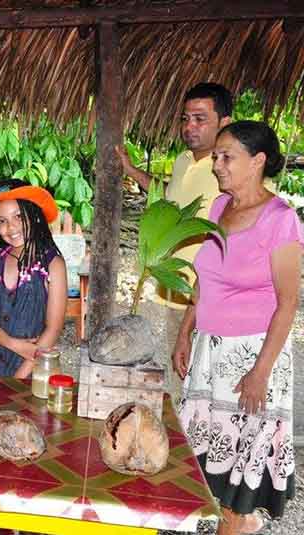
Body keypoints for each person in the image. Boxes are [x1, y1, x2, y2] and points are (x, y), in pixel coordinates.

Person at [174, 121, 301, 535]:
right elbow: (204, 279)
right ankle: (243, 524)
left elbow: (287, 304)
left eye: (227, 157)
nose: (217, 165)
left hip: (251, 358)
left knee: (233, 479)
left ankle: (238, 522)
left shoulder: (280, 220)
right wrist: (185, 330)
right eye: (216, 157)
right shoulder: (218, 210)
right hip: (210, 354)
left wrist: (260, 373)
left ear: (258, 161)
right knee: (207, 465)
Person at [118, 82, 233, 384]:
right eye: (185, 118)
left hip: (208, 299)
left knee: (204, 383)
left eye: (200, 118)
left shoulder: (230, 168)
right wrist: (131, 171)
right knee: (179, 377)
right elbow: (169, 198)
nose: (189, 126)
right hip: (175, 291)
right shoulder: (183, 161)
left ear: (225, 123)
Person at [0, 179, 68, 378]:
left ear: (34, 216)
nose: (11, 227)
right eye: (2, 221)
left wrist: (19, 377)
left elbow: (53, 328)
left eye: (18, 216)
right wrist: (13, 344)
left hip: (32, 370)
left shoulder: (53, 265)